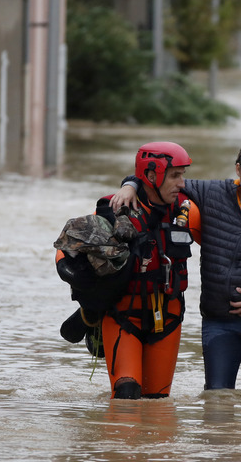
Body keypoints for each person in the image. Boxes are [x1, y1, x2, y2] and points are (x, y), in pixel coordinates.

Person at [111, 134, 241, 405]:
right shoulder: (210, 194)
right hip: (219, 320)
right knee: (217, 403)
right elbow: (161, 181)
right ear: (237, 168)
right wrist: (130, 184)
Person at [56, 142, 201, 399]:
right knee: (127, 395)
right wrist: (73, 276)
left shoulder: (188, 211)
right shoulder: (115, 209)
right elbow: (68, 245)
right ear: (152, 175)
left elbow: (226, 247)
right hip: (124, 317)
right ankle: (90, 314)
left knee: (157, 403)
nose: (182, 183)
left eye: (183, 175)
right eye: (175, 175)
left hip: (167, 319)